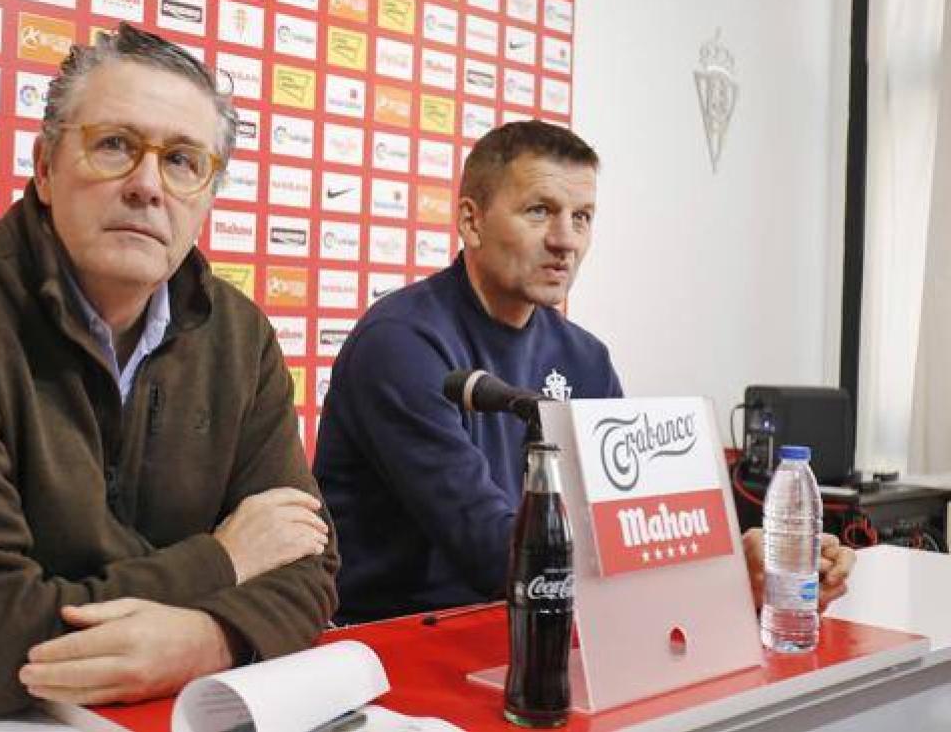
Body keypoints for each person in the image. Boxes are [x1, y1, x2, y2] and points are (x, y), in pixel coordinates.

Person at [0, 23, 337, 730]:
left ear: (207, 194)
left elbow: (307, 564)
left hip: (161, 709)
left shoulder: (241, 337)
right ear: (45, 167)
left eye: (183, 161)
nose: (148, 186)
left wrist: (199, 640)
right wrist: (221, 561)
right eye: (115, 145)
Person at [313, 119, 854, 623]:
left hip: (541, 618)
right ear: (471, 222)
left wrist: (742, 570)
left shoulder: (585, 358)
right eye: (539, 211)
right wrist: (713, 581)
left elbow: (624, 523)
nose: (566, 240)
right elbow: (494, 555)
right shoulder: (402, 345)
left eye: (582, 217)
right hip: (401, 642)